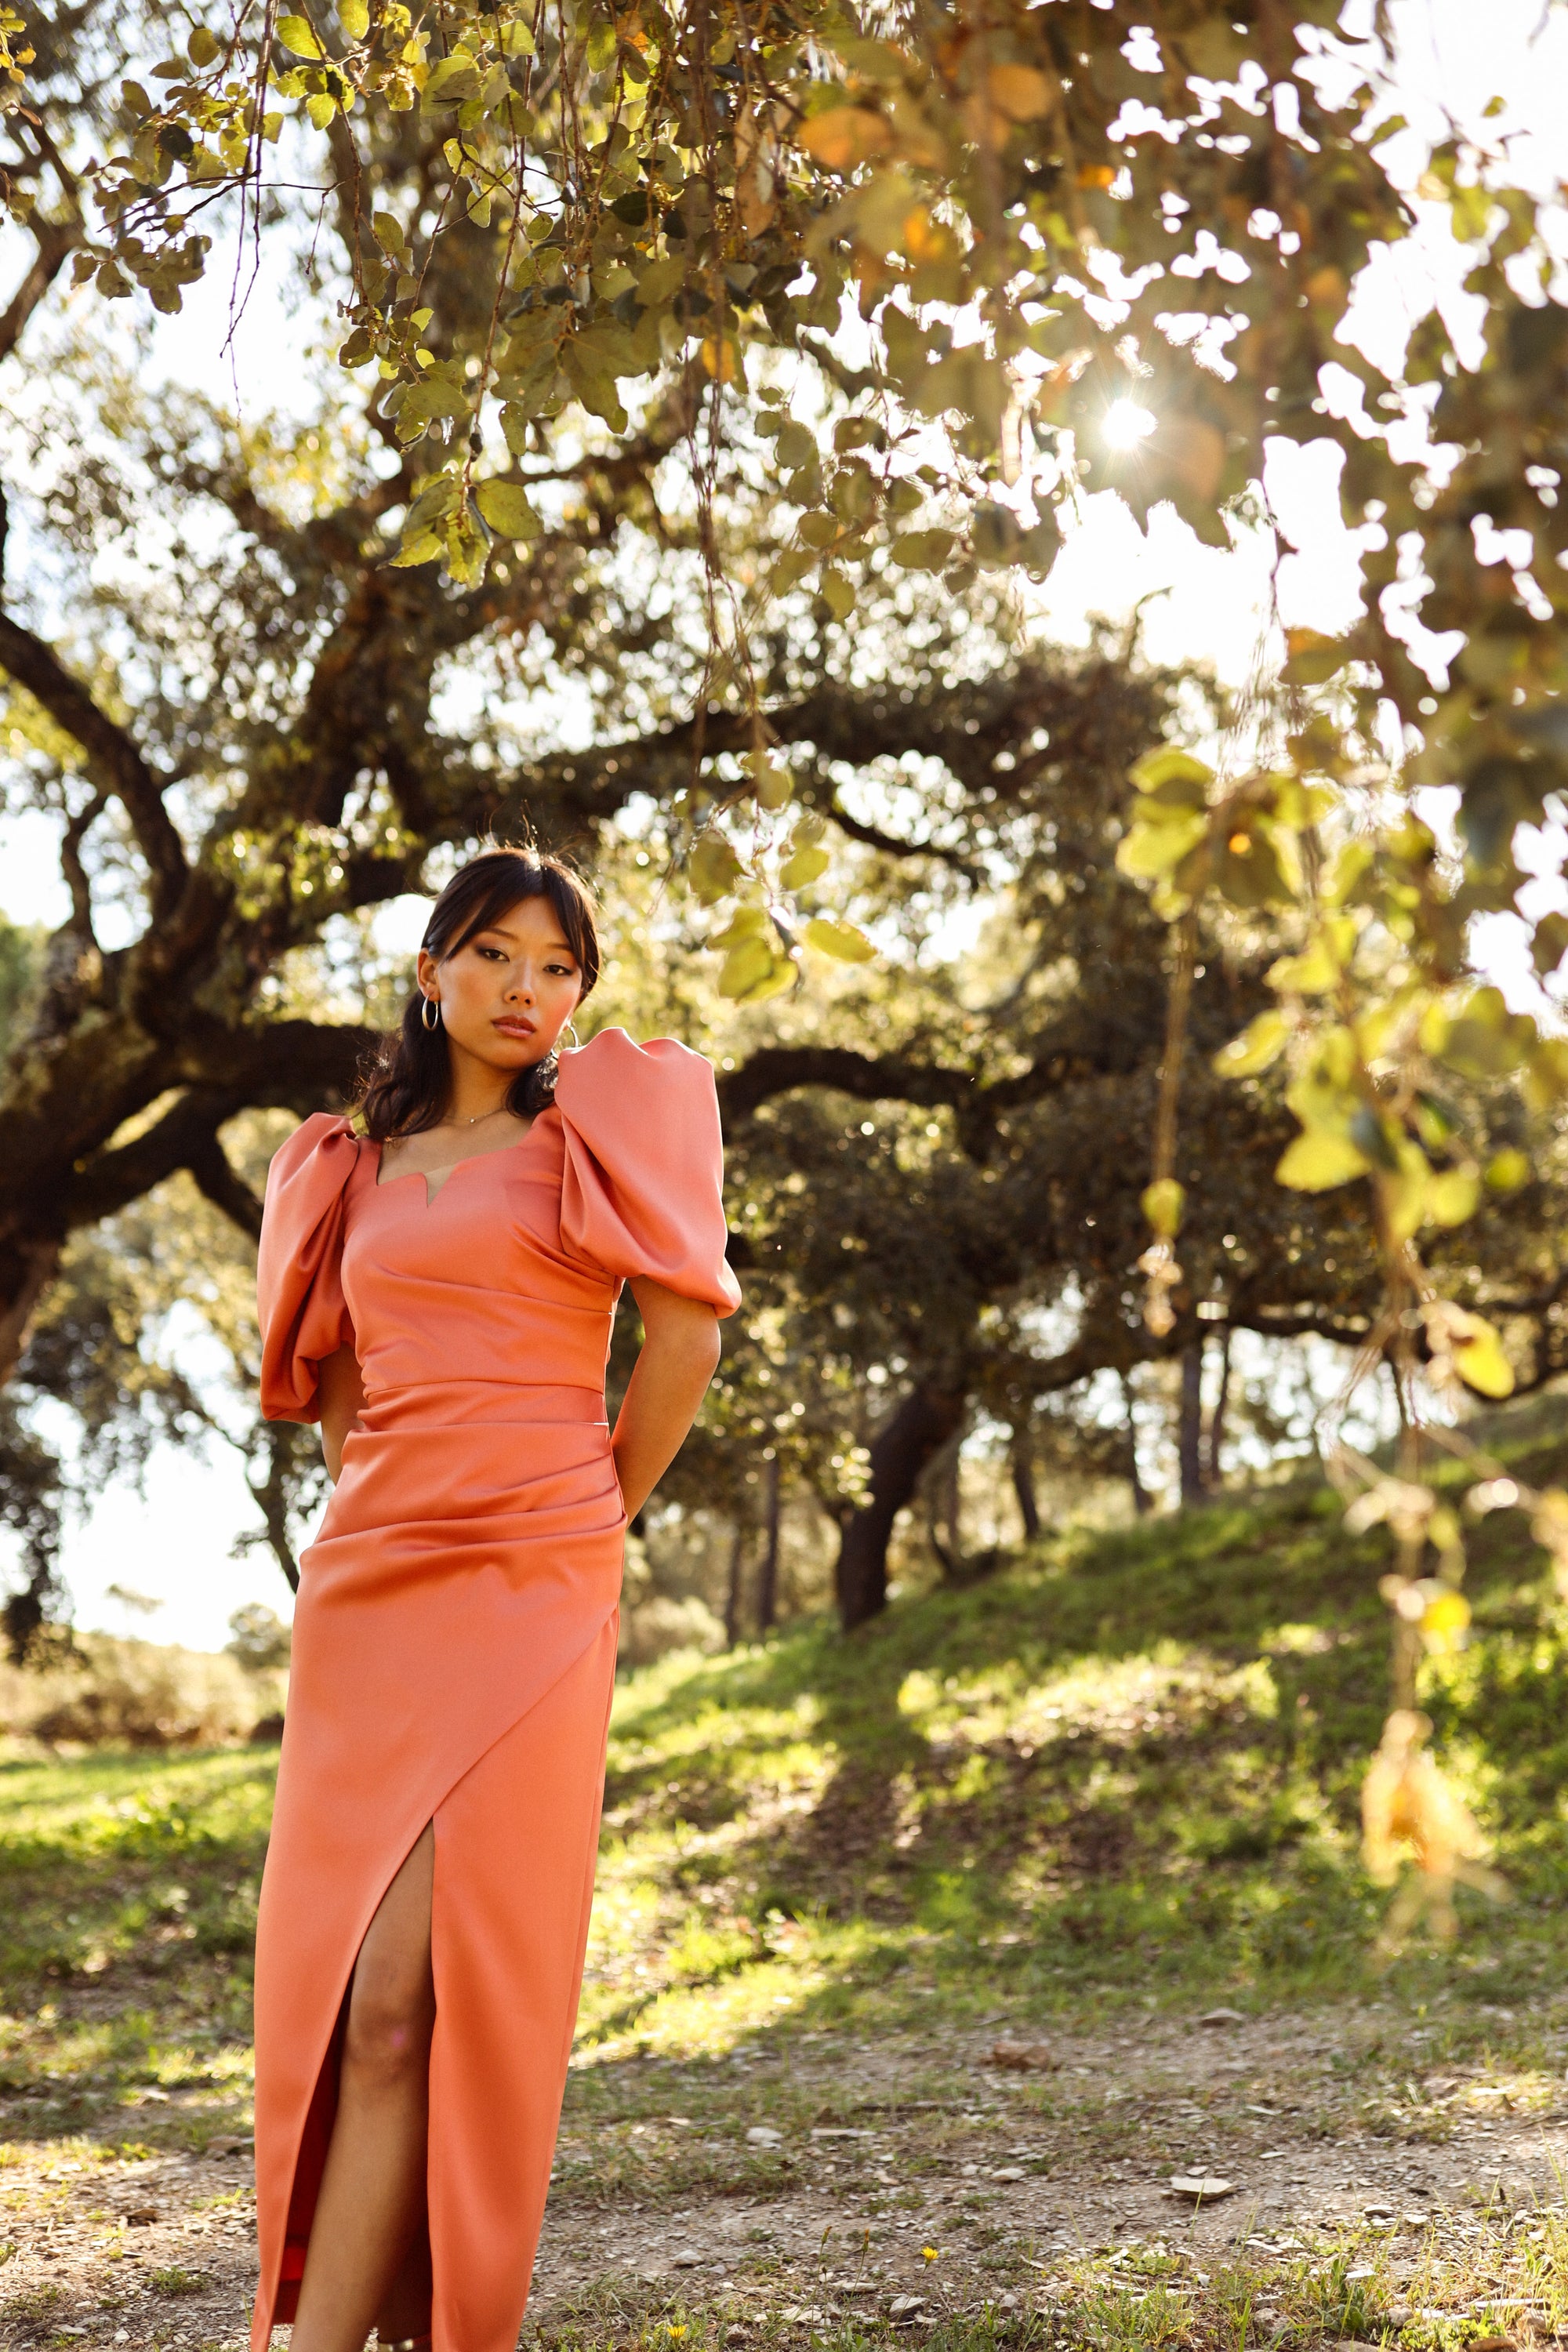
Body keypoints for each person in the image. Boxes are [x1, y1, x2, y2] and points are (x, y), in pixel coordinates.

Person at [250, 844, 741, 2352]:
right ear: (431, 971)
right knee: (354, 2005)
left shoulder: (599, 1133)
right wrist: (388, 1503)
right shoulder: (345, 1164)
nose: (530, 990)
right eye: (497, 956)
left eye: (558, 967)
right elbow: (333, 1385)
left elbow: (682, 1348)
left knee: (425, 1998)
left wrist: (589, 1517)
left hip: (535, 1583)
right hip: (375, 1592)